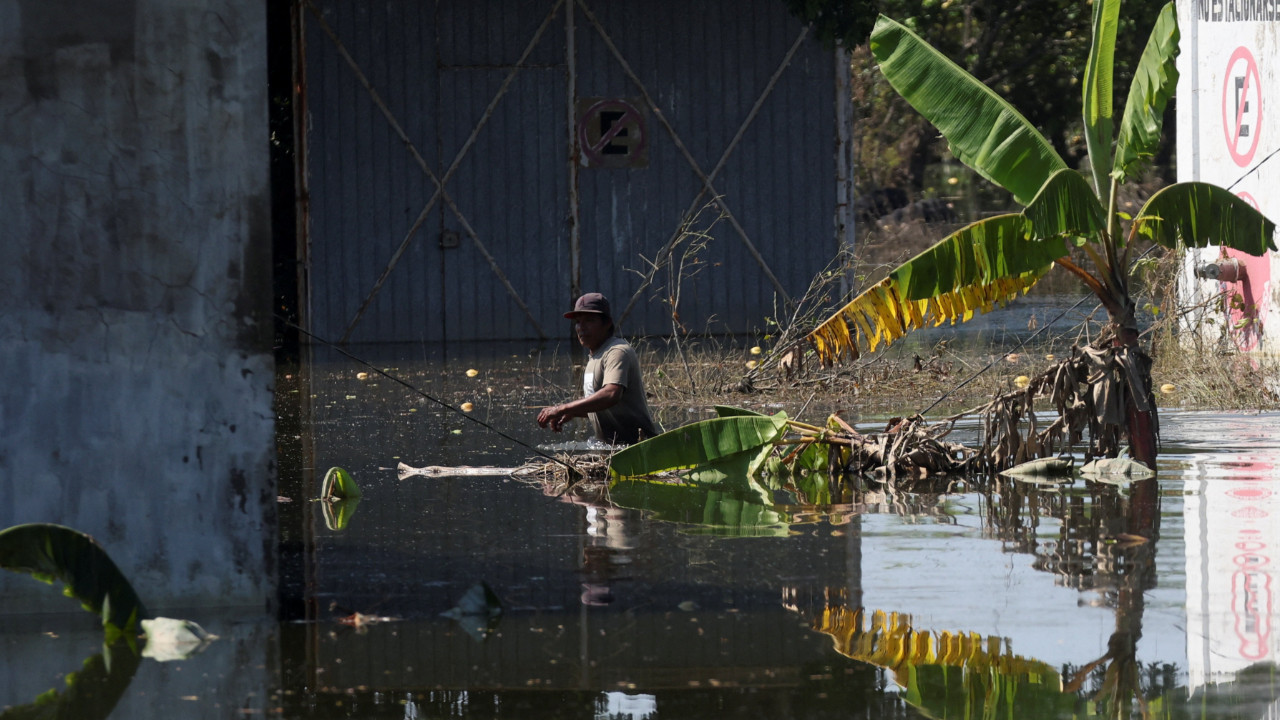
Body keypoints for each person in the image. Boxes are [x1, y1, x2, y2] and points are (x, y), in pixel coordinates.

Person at [536, 293, 663, 444]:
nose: (581, 328)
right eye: (578, 322)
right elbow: (606, 407)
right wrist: (574, 412)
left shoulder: (617, 351)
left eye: (589, 321)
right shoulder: (594, 356)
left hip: (638, 447)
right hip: (610, 448)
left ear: (607, 323)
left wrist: (562, 408)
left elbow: (611, 394)